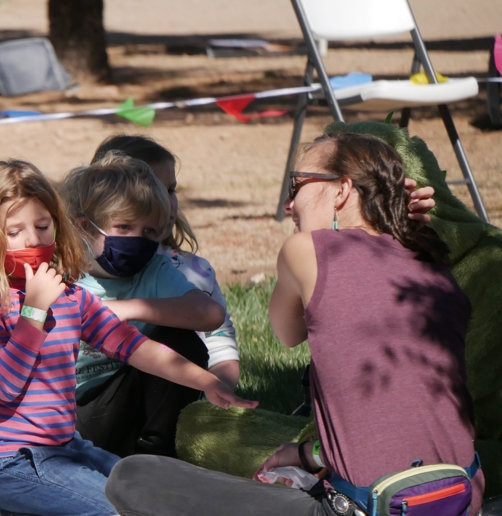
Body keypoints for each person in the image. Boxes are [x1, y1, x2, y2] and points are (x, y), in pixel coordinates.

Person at [104, 132, 483, 515]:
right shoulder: (431, 260)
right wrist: (308, 452)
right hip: (460, 497)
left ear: (342, 190)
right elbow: (393, 416)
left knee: (132, 476)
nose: (288, 204)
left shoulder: (307, 251)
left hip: (357, 508)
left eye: (297, 184)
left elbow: (287, 333)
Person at [0, 160, 256, 516]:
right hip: (8, 460)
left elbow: (133, 347)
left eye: (43, 226)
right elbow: (3, 385)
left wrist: (206, 380)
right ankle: (5, 502)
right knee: (118, 510)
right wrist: (34, 311)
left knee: (155, 492)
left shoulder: (72, 296)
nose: (32, 239)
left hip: (66, 447)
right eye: (14, 232)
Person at [61, 151, 228, 459]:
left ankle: (158, 458)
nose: (137, 240)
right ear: (85, 227)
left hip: (131, 408)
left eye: (148, 231)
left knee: (180, 340)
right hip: (68, 416)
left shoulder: (153, 270)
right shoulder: (61, 276)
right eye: (124, 228)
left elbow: (210, 314)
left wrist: (129, 309)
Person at [90, 135, 240, 389]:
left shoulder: (193, 271)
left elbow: (218, 341)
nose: (166, 202)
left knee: (178, 339)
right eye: (153, 189)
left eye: (170, 189)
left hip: (172, 395)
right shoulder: (68, 269)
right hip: (91, 406)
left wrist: (220, 393)